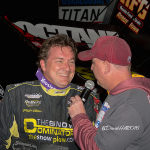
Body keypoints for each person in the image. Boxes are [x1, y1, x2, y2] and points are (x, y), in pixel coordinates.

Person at [0, 34, 101, 150]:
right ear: (43, 64)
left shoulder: (90, 99)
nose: (67, 68)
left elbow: (100, 144)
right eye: (60, 61)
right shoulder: (16, 94)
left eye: (71, 62)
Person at [69, 36, 150, 150]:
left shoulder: (128, 104)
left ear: (106, 66)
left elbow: (97, 148)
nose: (91, 68)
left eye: (93, 62)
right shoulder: (122, 94)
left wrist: (79, 117)